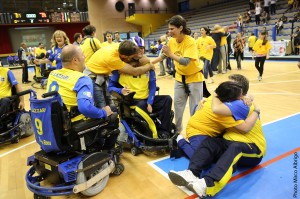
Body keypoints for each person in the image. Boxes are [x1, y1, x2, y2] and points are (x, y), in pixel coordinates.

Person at [168, 82, 265, 198]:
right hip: (227, 140)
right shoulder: (227, 104)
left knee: (236, 148)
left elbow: (244, 127)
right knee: (210, 142)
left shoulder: (240, 104)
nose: (242, 97)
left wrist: (257, 108)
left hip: (253, 148)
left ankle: (207, 184)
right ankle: (192, 173)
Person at [177, 74, 255, 158]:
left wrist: (249, 97)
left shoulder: (223, 98)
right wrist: (257, 110)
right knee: (199, 158)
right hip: (197, 131)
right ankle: (180, 141)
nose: (225, 86)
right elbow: (245, 128)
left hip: (210, 131)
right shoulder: (224, 110)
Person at [152, 15, 204, 133]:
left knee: (195, 108)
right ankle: (178, 133)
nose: (169, 31)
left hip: (194, 77)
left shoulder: (190, 41)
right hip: (180, 78)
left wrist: (170, 54)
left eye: (172, 29)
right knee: (178, 107)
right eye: (169, 29)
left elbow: (185, 61)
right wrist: (151, 63)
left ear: (180, 28)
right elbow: (164, 55)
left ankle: (194, 133)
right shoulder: (171, 41)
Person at [108, 63, 173, 138]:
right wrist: (120, 90)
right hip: (131, 101)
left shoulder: (148, 67)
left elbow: (152, 86)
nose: (141, 52)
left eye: (142, 50)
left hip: (146, 99)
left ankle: (163, 131)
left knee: (167, 99)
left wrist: (149, 102)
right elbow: (110, 88)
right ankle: (150, 134)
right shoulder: (120, 68)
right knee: (142, 105)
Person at [84, 40, 154, 108]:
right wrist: (149, 66)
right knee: (102, 106)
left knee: (109, 104)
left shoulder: (121, 47)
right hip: (92, 77)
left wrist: (135, 62)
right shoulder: (114, 59)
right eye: (132, 58)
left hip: (101, 74)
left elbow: (145, 59)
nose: (133, 59)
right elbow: (134, 72)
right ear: (125, 56)